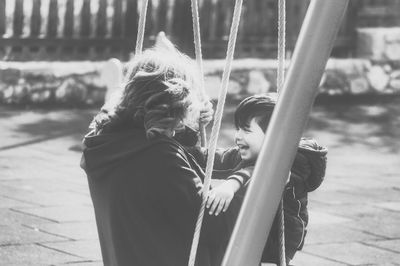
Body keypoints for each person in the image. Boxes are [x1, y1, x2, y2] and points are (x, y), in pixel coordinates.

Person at [80, 45, 236, 266]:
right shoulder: (159, 156)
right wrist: (239, 181)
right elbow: (213, 225)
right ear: (175, 101)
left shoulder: (102, 141)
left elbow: (157, 185)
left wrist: (188, 127)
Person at [187, 94, 328, 265]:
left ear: (275, 136)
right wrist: (188, 130)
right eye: (238, 128)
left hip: (276, 243)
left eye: (246, 130)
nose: (238, 135)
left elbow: (262, 172)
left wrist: (231, 185)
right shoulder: (244, 155)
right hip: (250, 232)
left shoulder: (292, 161)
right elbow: (211, 157)